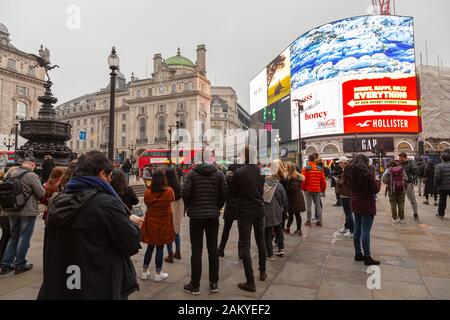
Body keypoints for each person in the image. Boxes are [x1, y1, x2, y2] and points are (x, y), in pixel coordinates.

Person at [38, 151, 142, 299]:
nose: (110, 180)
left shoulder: (58, 201)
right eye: (109, 176)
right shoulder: (107, 203)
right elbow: (131, 243)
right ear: (101, 174)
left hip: (64, 282)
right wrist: (131, 223)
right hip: (98, 282)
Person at [182, 154, 228, 295]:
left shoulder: (191, 174)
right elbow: (225, 193)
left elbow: (185, 193)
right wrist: (217, 206)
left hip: (196, 216)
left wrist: (189, 206)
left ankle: (195, 285)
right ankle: (214, 283)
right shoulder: (219, 174)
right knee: (213, 249)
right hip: (213, 215)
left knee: (196, 250)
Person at [0, 157, 45, 275]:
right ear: (32, 165)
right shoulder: (31, 175)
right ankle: (20, 264)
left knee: (13, 236)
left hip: (10, 209)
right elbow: (41, 193)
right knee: (24, 237)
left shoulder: (10, 173)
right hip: (27, 210)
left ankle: (6, 264)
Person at [231, 145, 267, 292]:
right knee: (261, 241)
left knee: (245, 245)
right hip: (259, 209)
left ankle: (250, 281)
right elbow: (260, 190)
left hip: (245, 211)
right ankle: (263, 271)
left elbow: (232, 193)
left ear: (244, 156)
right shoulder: (262, 171)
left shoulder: (239, 172)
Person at [141, 170, 174, 282]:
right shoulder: (169, 191)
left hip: (151, 222)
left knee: (150, 247)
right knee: (160, 247)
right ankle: (158, 273)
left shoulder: (147, 192)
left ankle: (144, 272)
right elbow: (172, 199)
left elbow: (146, 202)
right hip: (163, 223)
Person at [348, 154, 381, 266]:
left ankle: (358, 254)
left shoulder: (351, 172)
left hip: (355, 202)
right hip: (366, 203)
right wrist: (377, 180)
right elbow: (375, 189)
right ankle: (367, 257)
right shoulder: (368, 174)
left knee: (357, 228)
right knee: (365, 230)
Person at [263, 162, 288, 260]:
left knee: (267, 232)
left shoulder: (263, 184)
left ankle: (269, 254)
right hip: (277, 210)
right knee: (279, 229)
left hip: (266, 210)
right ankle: (281, 248)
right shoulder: (279, 185)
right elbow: (283, 199)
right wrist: (281, 207)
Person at [218, 163, 241, 258]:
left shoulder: (226, 179)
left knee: (226, 229)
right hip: (239, 205)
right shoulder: (239, 179)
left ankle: (221, 249)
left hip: (229, 205)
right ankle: (241, 252)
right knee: (242, 230)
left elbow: (223, 193)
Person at [164, 168, 184, 263]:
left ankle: (170, 254)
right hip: (178, 210)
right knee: (176, 232)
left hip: (169, 210)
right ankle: (178, 252)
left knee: (169, 233)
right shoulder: (178, 186)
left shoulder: (167, 187)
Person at [302, 154, 327, 227]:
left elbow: (303, 180)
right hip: (317, 190)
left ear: (309, 159)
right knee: (318, 205)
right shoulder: (320, 169)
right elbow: (323, 181)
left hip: (308, 190)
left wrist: (303, 188)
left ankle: (308, 221)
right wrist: (323, 189)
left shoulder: (306, 168)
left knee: (309, 206)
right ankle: (319, 221)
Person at [284, 161, 305, 236]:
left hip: (295, 199)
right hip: (294, 198)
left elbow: (292, 190)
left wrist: (285, 190)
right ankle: (287, 228)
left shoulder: (293, 178)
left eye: (286, 167)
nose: (285, 168)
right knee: (291, 214)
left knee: (296, 214)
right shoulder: (294, 176)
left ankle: (299, 230)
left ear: (289, 169)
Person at [335, 156, 353, 237]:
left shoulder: (347, 171)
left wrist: (338, 181)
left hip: (346, 194)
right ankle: (347, 227)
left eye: (340, 163)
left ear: (343, 163)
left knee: (348, 213)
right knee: (347, 213)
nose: (339, 164)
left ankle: (352, 231)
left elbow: (346, 183)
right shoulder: (347, 170)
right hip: (347, 194)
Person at [398, 152, 419, 220]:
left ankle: (415, 213)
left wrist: (411, 179)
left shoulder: (410, 163)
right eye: (399, 158)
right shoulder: (398, 164)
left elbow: (415, 173)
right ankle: (400, 214)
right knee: (400, 200)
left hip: (408, 184)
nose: (400, 160)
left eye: (402, 159)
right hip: (400, 184)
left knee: (412, 199)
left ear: (405, 157)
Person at [435, 153, 450, 218]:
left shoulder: (439, 166)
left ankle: (441, 214)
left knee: (442, 201)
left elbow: (437, 177)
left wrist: (436, 185)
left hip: (443, 187)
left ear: (442, 158)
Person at [0, 170, 10, 261]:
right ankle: (3, 257)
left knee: (5, 235)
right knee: (6, 235)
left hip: (3, 214)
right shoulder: (3, 186)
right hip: (4, 214)